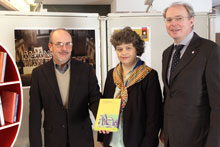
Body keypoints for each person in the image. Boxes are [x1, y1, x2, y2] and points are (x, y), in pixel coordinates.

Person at [161, 2, 220, 147]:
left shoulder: (210, 51)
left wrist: (214, 142)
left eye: (179, 18)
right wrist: (165, 131)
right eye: (169, 20)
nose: (173, 23)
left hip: (198, 139)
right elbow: (169, 95)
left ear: (191, 20)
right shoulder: (167, 53)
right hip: (171, 137)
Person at [29, 28, 101, 147]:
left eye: (68, 44)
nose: (64, 48)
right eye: (59, 44)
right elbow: (35, 114)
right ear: (50, 47)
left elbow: (95, 99)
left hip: (82, 137)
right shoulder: (38, 74)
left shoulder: (86, 70)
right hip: (54, 139)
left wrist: (104, 120)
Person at [98, 27, 162, 147]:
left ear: (136, 49)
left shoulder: (149, 75)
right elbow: (106, 103)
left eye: (128, 48)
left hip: (137, 141)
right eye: (119, 49)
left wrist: (148, 143)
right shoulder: (112, 74)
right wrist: (102, 137)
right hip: (112, 139)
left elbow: (154, 116)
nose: (123, 53)